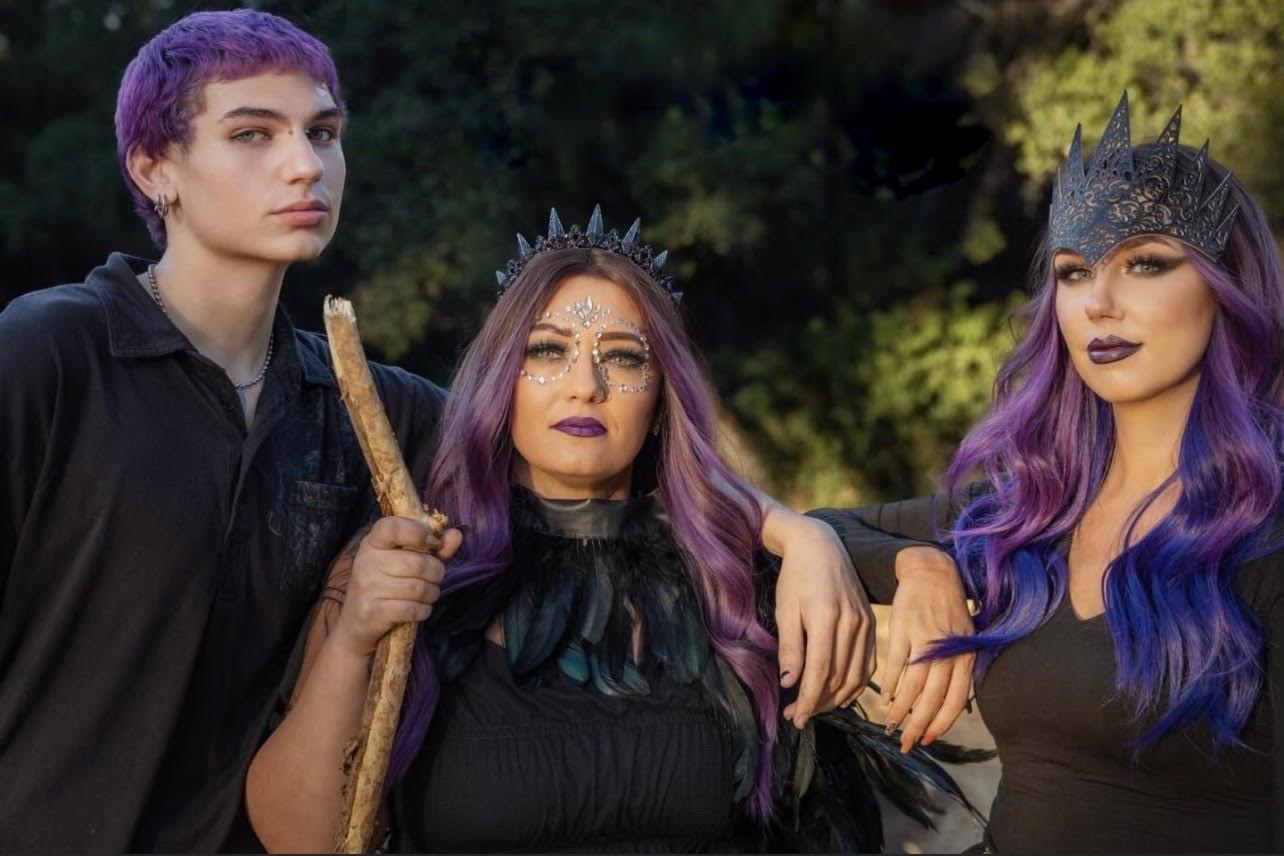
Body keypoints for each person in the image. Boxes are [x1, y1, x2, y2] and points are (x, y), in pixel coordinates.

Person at [0, 14, 874, 851]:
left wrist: (802, 535)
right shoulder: (47, 355)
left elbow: (587, 450)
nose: (305, 165)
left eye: (324, 132)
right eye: (253, 134)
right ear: (154, 166)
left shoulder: (375, 411)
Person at [246, 208, 987, 853]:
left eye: (624, 358)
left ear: (662, 398)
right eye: (547, 350)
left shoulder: (734, 578)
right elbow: (298, 839)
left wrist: (902, 560)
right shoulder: (408, 564)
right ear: (501, 380)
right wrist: (353, 639)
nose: (585, 385)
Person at [810, 93, 1284, 853]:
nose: (1100, 303)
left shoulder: (1267, 532)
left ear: (1226, 287)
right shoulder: (1032, 511)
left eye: (1145, 264)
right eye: (1074, 272)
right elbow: (812, 530)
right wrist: (922, 566)